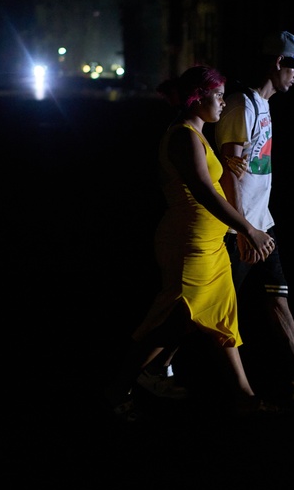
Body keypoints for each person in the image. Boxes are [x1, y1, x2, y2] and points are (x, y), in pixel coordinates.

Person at [137, 32, 294, 402]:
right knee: (198, 309)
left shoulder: (261, 106)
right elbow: (229, 174)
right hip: (243, 228)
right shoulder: (240, 106)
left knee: (275, 297)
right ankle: (150, 369)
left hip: (259, 223)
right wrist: (243, 229)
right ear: (279, 63)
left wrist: (257, 224)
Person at [103, 65, 282, 422]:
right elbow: (204, 193)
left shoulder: (198, 134)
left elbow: (214, 181)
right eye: (217, 96)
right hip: (189, 246)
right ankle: (116, 390)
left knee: (222, 321)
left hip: (210, 248)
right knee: (171, 321)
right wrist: (249, 229)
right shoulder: (184, 135)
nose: (222, 103)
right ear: (197, 98)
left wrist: (231, 166)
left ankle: (245, 396)